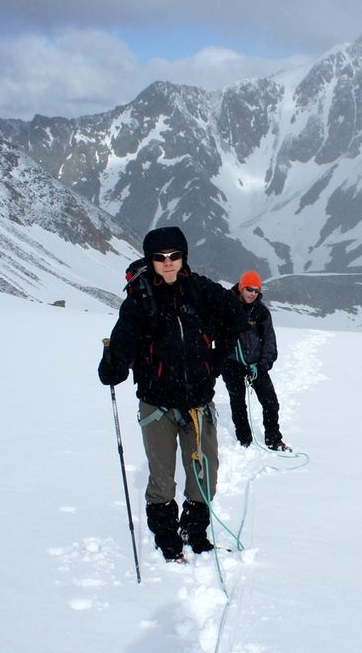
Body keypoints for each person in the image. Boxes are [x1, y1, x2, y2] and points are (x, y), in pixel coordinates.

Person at [98, 226, 245, 561]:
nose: (168, 263)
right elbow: (122, 346)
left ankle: (195, 532)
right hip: (157, 404)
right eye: (160, 258)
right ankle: (167, 537)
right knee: (162, 479)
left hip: (198, 402)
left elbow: (235, 316)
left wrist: (215, 361)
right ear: (150, 261)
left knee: (204, 476)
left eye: (174, 256)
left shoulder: (200, 289)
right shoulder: (139, 301)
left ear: (184, 257)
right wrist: (113, 366)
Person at [222, 270, 290, 451]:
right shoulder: (226, 306)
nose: (253, 293)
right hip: (231, 364)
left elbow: (269, 341)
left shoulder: (261, 312)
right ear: (241, 287)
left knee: (270, 402)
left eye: (257, 290)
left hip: (255, 365)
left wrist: (263, 365)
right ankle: (244, 439)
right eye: (249, 289)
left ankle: (274, 439)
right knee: (238, 402)